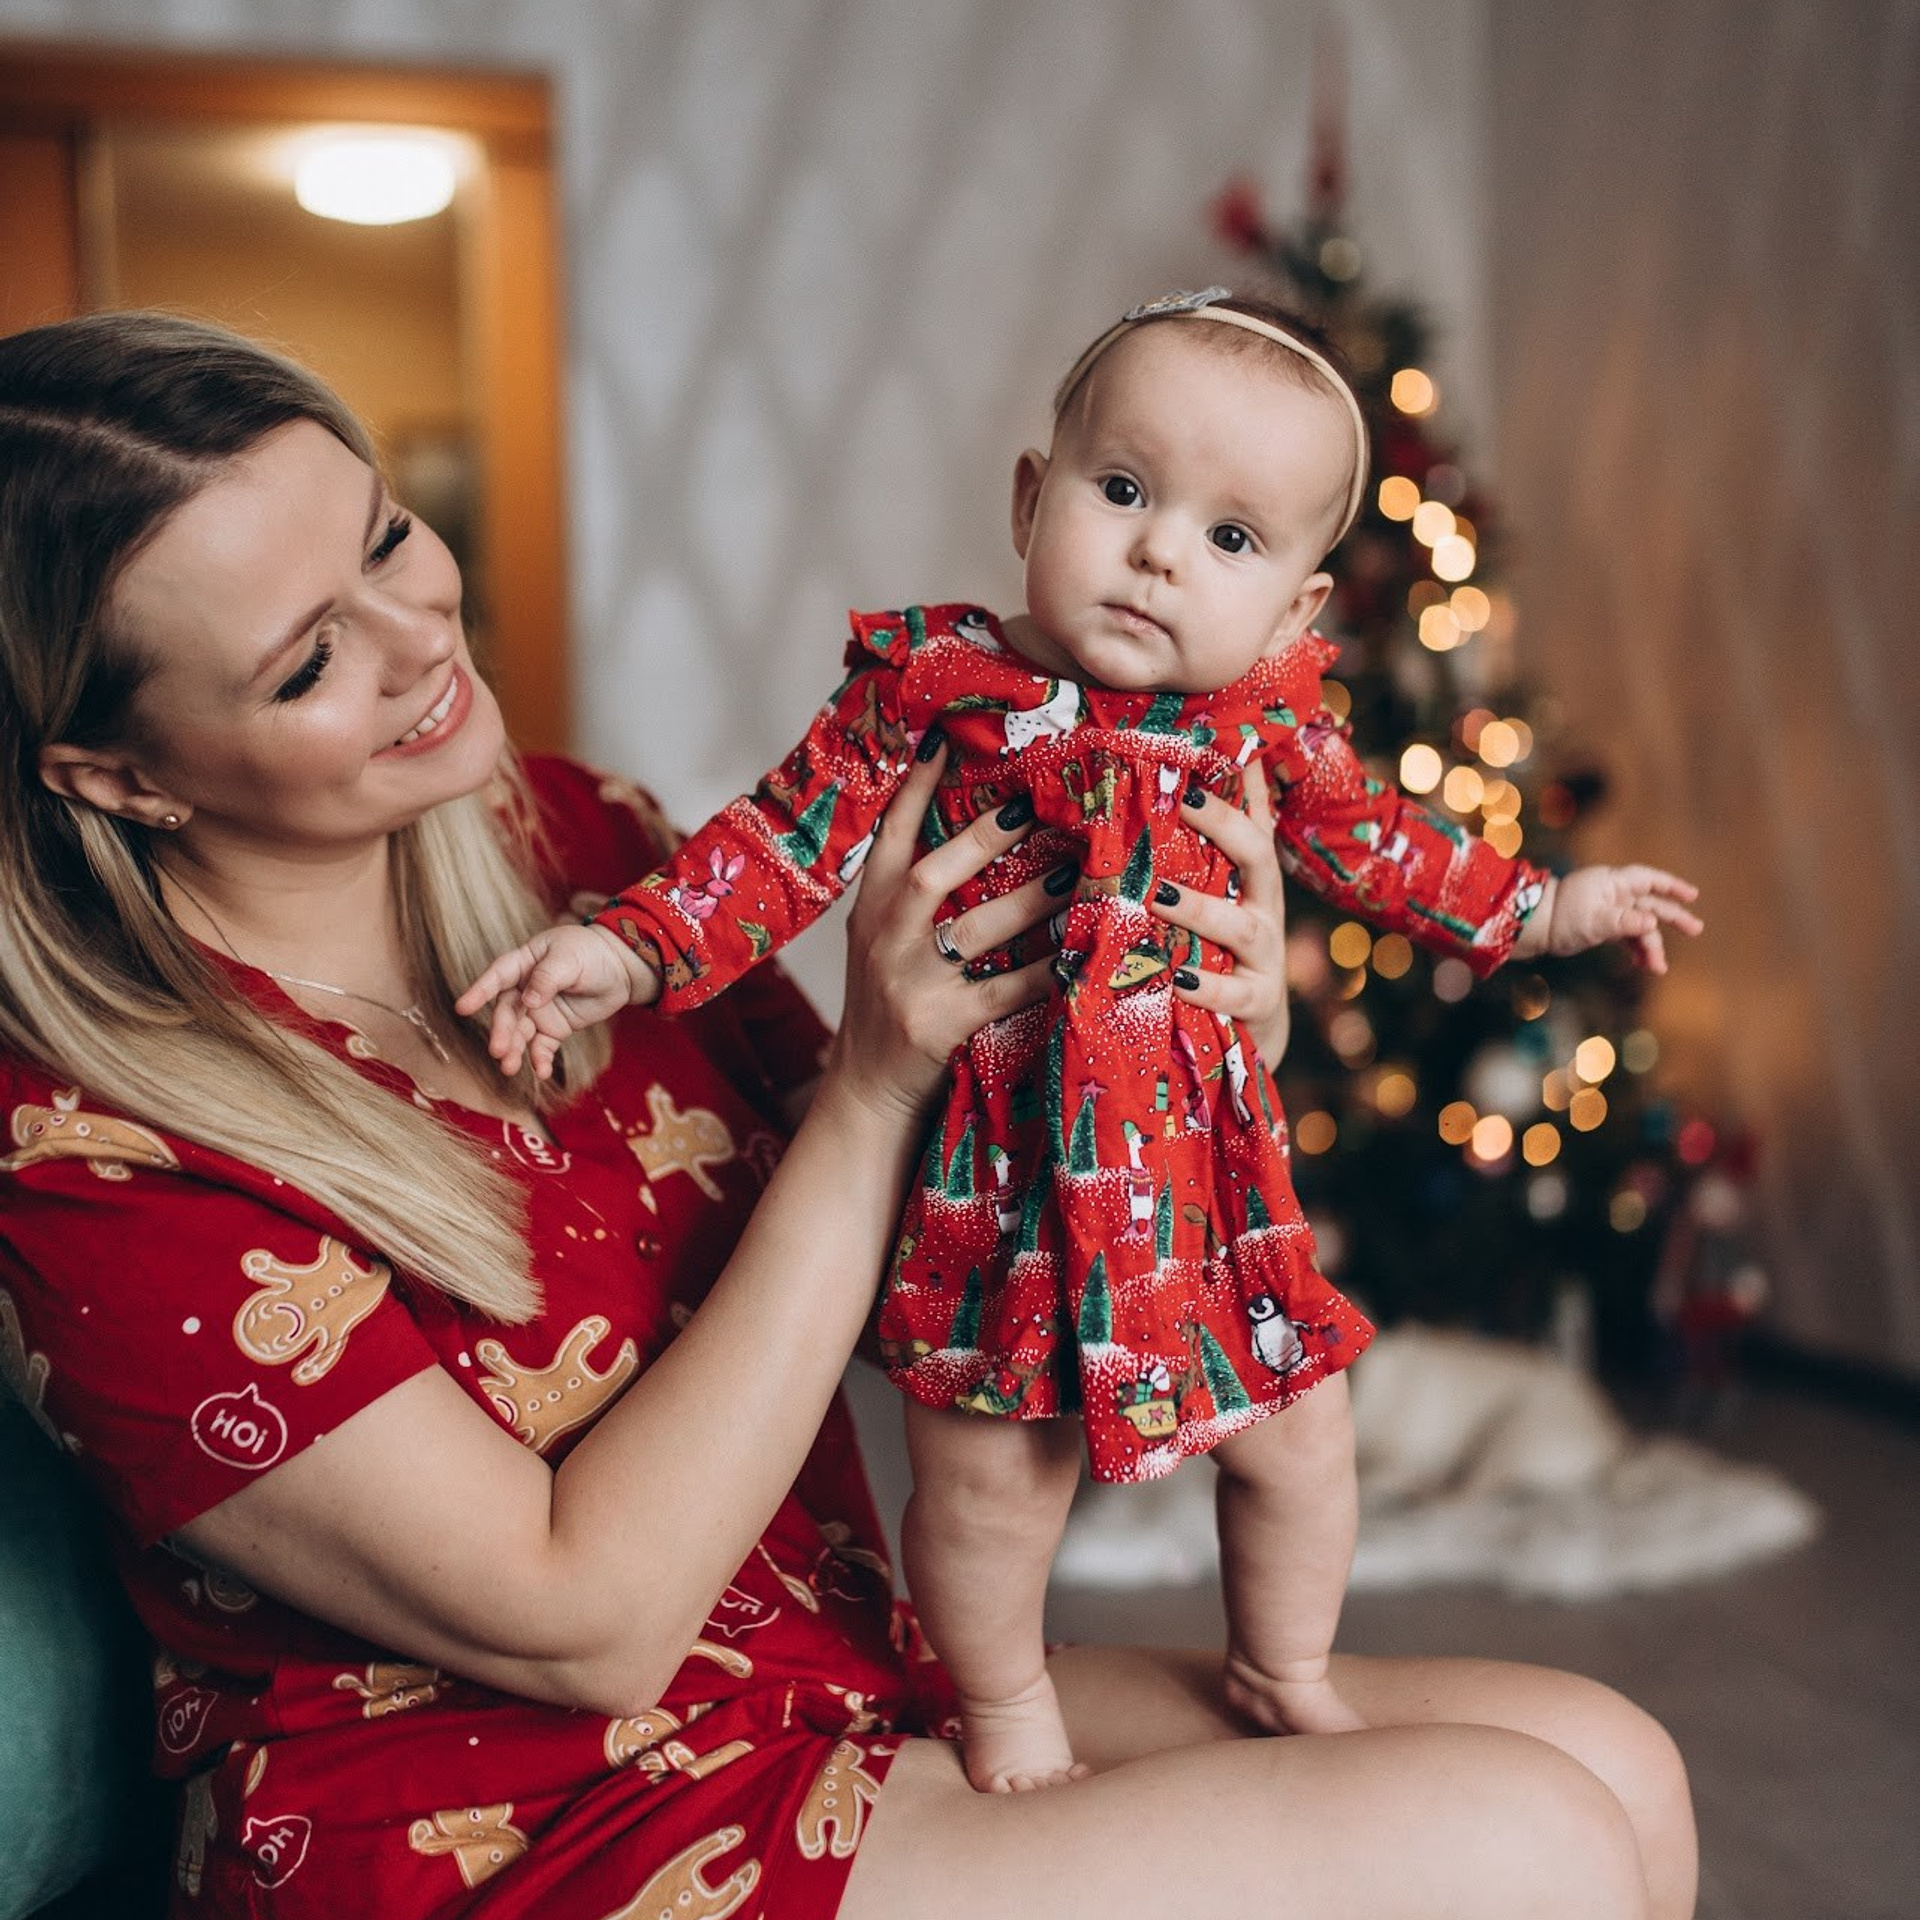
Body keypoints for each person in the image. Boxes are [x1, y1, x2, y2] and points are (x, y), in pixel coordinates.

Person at [0, 308, 1697, 1920]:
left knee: (1611, 1758)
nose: (420, 641)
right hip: (525, 1835)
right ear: (120, 773)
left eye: (384, 541)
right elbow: (583, 1621)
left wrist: (1184, 1042)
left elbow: (943, 1243)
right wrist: (882, 1084)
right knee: (1514, 1842)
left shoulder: (582, 847)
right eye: (307, 662)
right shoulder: (89, 1161)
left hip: (837, 1681)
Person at [460, 288, 1705, 1791]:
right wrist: (624, 943)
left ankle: (1282, 1664)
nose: (1164, 549)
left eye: (1234, 539)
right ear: (1032, 498)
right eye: (1124, 491)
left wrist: (1557, 908)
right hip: (1006, 1174)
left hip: (1208, 1177)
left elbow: (1393, 853)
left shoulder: (1266, 725)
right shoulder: (932, 693)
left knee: (1304, 1443)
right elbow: (776, 841)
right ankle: (1004, 1704)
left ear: (1300, 611)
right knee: (993, 1481)